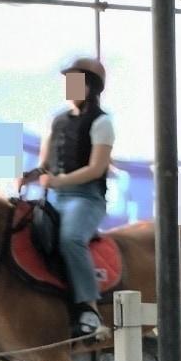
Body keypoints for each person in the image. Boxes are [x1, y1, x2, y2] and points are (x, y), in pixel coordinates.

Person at [27, 56, 114, 338]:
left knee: (70, 239)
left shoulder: (102, 123)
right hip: (54, 195)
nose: (69, 87)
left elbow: (97, 168)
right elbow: (45, 164)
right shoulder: (57, 121)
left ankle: (90, 309)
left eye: (74, 82)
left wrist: (60, 181)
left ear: (90, 87)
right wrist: (30, 175)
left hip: (85, 198)